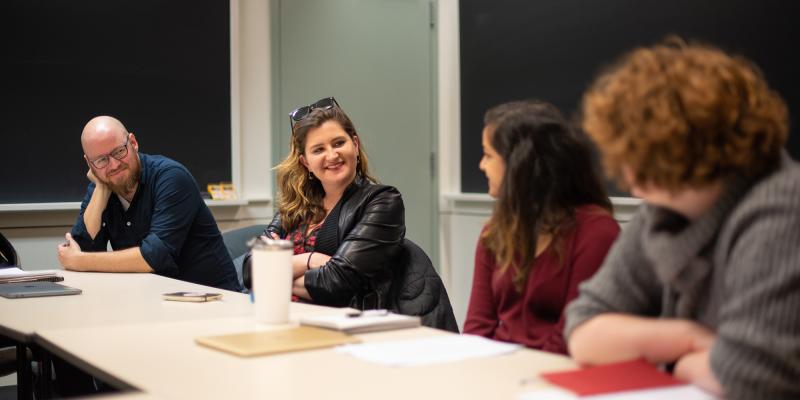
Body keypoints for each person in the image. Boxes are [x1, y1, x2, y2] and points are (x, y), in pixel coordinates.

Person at [565, 39, 800, 399]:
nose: (628, 177)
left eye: (643, 156)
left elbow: (751, 376)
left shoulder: (783, 206)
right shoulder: (661, 214)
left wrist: (672, 363)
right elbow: (584, 329)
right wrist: (691, 339)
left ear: (693, 148)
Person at [243, 97, 454, 328]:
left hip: (344, 332)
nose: (332, 155)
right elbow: (250, 270)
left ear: (354, 144)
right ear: (305, 162)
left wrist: (272, 274)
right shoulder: (296, 207)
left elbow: (336, 283)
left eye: (338, 143)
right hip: (283, 322)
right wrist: (311, 260)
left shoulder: (382, 201)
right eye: (319, 149)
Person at [463, 100, 620, 354]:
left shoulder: (597, 233)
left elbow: (571, 334)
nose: (481, 165)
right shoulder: (494, 233)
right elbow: (477, 327)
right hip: (498, 372)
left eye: (489, 155)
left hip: (557, 375)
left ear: (520, 165)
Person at [57, 116, 241, 292]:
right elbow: (83, 248)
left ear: (133, 143)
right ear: (89, 163)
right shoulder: (101, 186)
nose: (113, 166)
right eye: (101, 160)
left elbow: (154, 258)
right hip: (155, 302)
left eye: (119, 152)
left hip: (214, 302)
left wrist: (80, 261)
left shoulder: (171, 177)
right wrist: (102, 189)